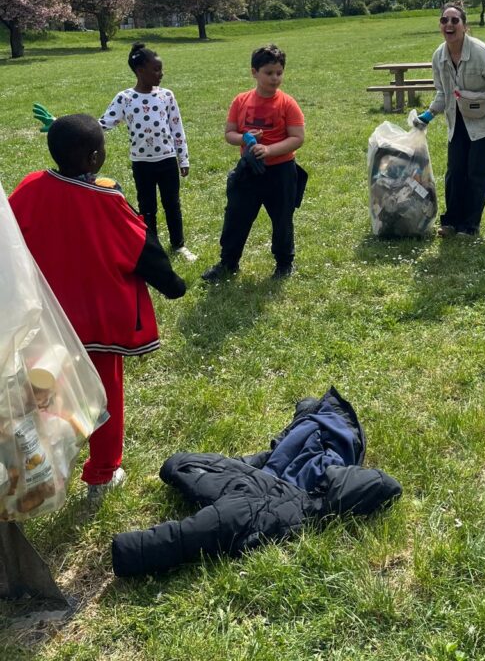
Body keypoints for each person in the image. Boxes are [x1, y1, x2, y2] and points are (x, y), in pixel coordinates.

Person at [9, 115, 186, 500]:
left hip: (46, 322)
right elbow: (144, 250)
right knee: (104, 397)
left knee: (44, 394)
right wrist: (174, 286)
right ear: (93, 158)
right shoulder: (106, 200)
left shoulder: (29, 188)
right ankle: (102, 475)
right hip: (100, 324)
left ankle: (41, 468)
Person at [202, 44, 306, 283]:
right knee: (236, 217)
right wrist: (245, 139)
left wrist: (268, 150)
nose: (275, 78)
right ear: (254, 72)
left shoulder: (287, 103)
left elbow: (297, 138)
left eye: (279, 73)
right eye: (269, 73)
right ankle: (228, 263)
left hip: (280, 171)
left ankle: (284, 263)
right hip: (248, 170)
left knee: (282, 219)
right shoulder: (241, 101)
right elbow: (229, 133)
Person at [415, 2, 485, 237]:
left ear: (465, 26)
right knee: (455, 173)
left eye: (455, 20)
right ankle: (451, 222)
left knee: (477, 174)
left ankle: (470, 225)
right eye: (444, 20)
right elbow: (443, 92)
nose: (449, 25)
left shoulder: (481, 53)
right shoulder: (439, 56)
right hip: (458, 122)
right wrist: (429, 114)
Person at [99, 42, 196, 262]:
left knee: (172, 204)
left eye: (161, 69)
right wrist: (65, 124)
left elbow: (177, 128)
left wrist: (183, 158)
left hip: (167, 160)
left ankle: (179, 245)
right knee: (147, 207)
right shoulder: (125, 98)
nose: (161, 74)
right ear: (140, 70)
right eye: (156, 69)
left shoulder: (167, 96)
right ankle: (152, 246)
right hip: (142, 163)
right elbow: (103, 123)